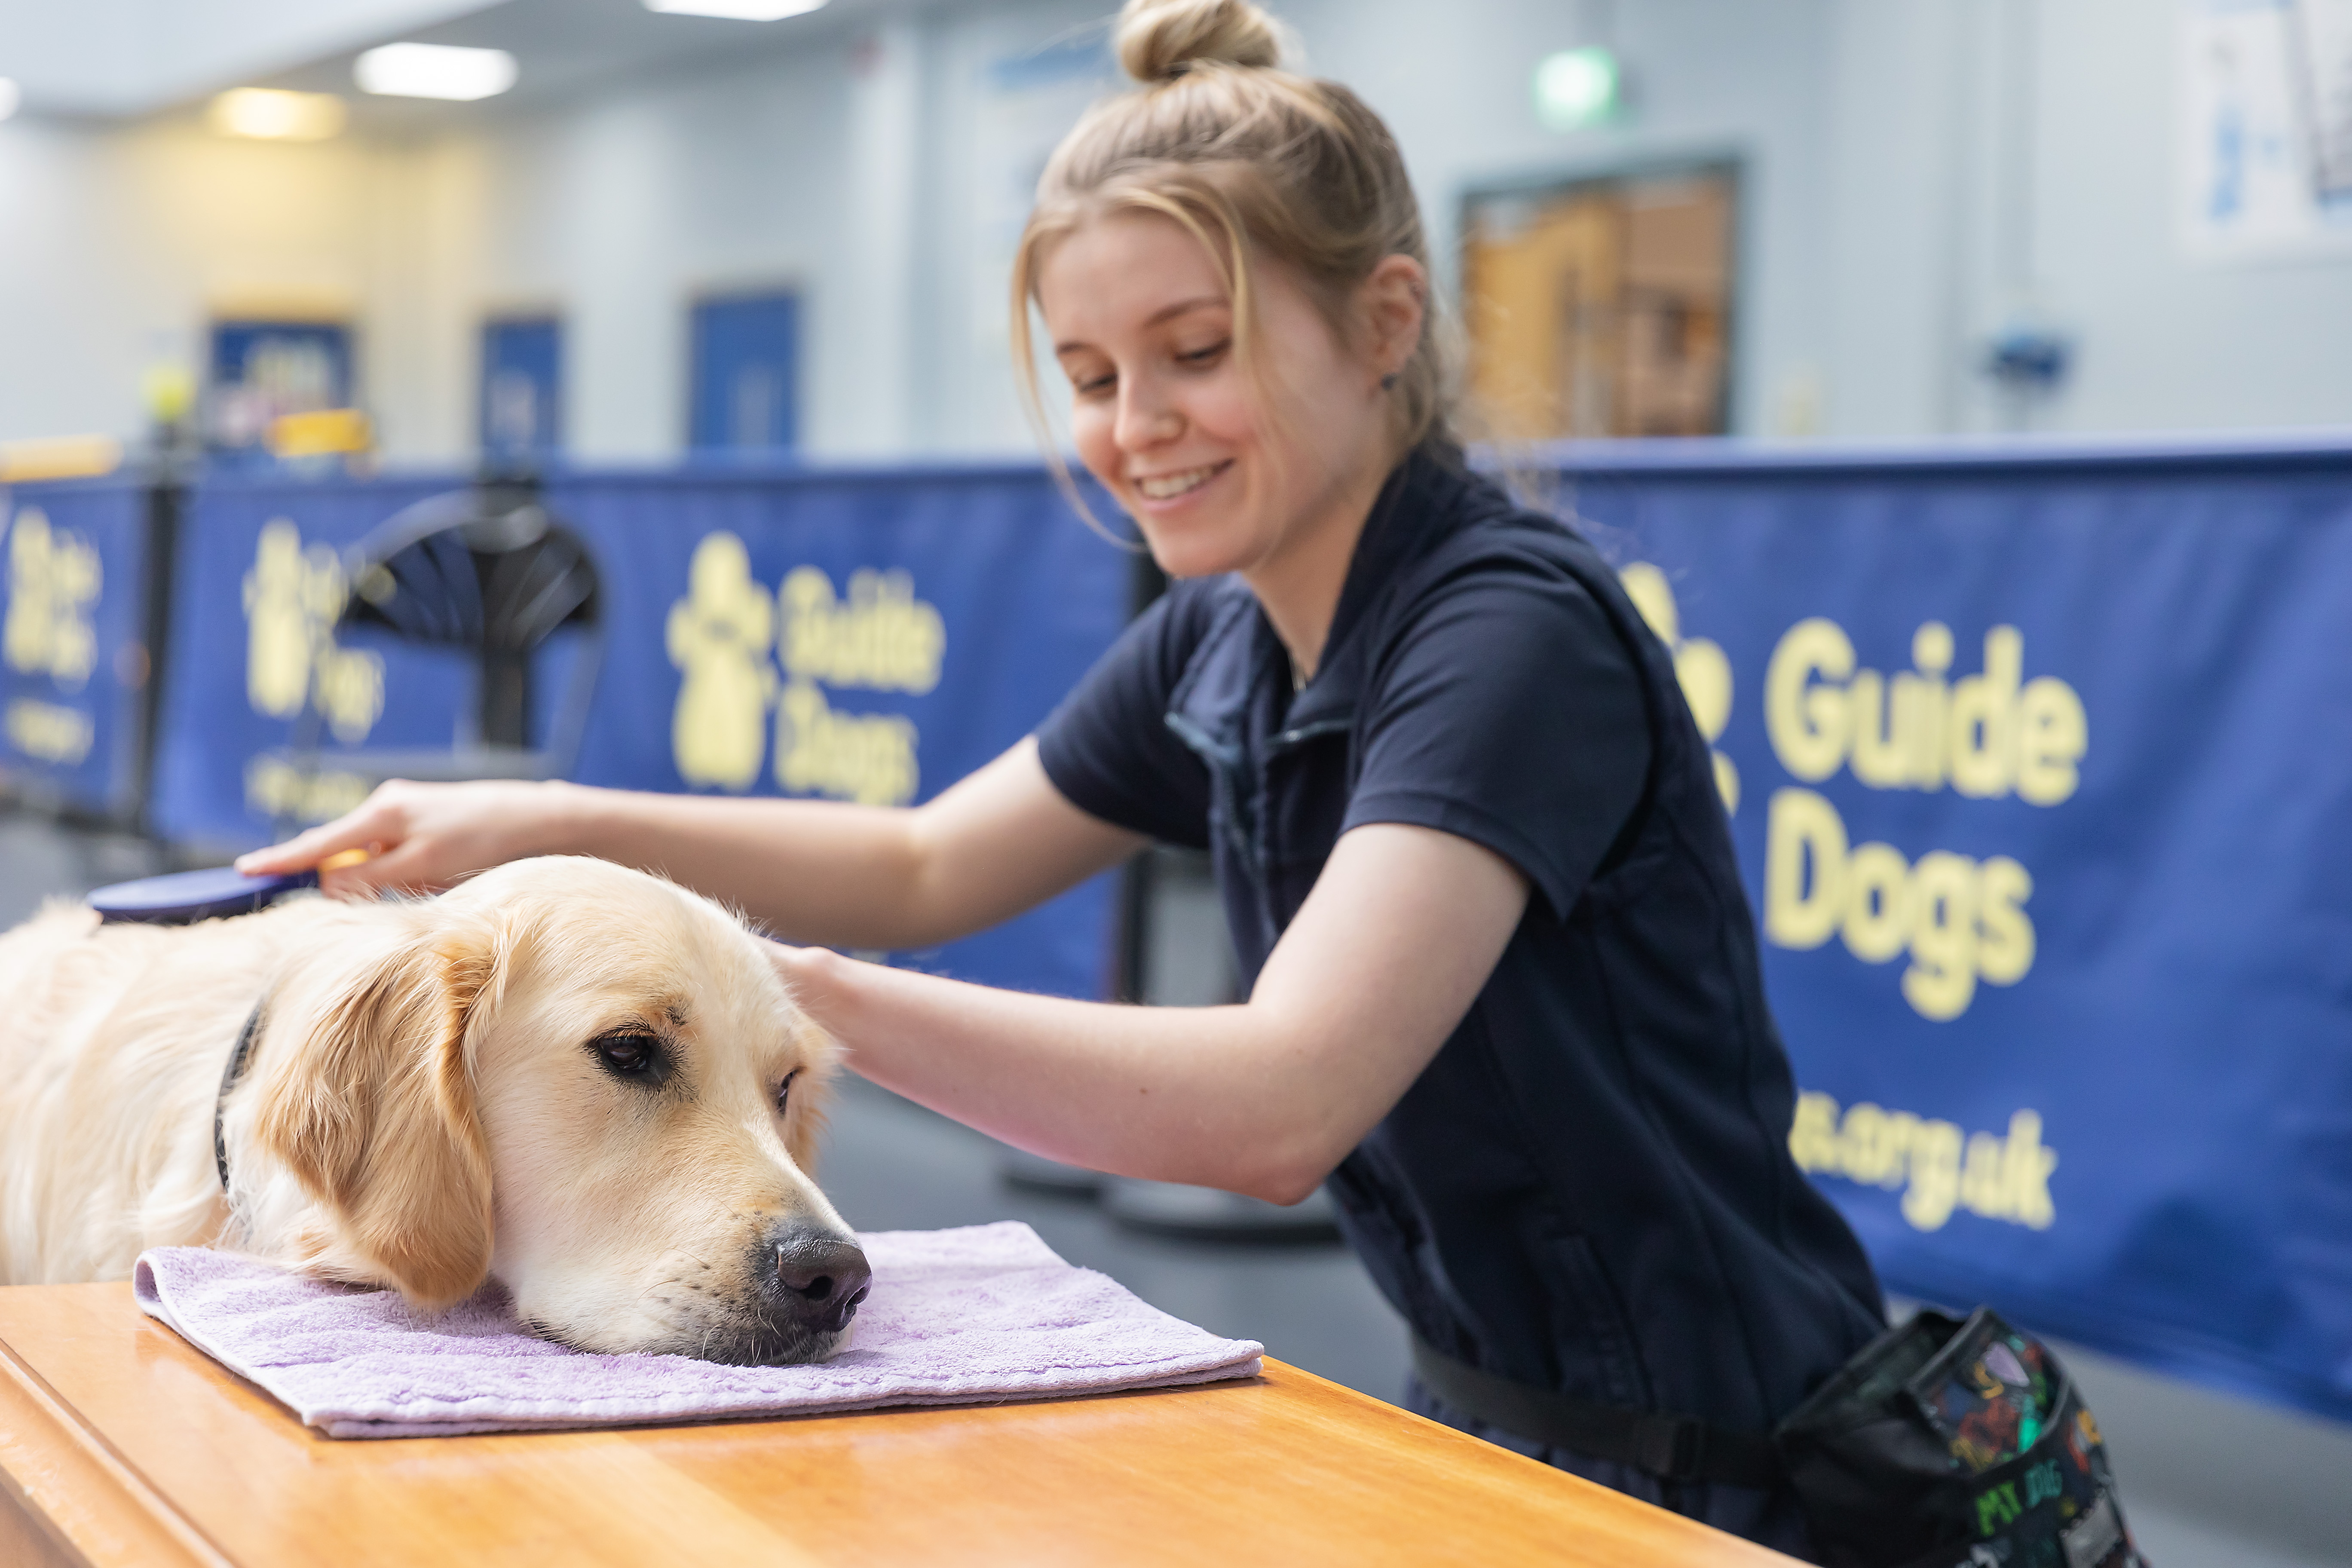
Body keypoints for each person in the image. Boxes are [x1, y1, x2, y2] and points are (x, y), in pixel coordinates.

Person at [239, 0, 1883, 1551]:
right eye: (1092, 377)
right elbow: (925, 865)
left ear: (1386, 321)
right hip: (1476, 1413)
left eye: (1195, 351)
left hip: (1738, 1472)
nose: (1136, 425)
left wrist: (741, 1001)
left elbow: (1279, 1105)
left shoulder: (1509, 638)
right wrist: (545, 826)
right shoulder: (1225, 637)